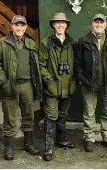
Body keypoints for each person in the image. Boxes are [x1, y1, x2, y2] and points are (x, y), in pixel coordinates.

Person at [0, 15, 42, 160]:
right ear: (11, 27)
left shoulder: (31, 44)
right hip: (10, 85)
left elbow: (34, 66)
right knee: (9, 117)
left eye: (22, 25)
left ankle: (28, 144)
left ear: (25, 28)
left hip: (27, 85)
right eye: (16, 25)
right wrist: (4, 82)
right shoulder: (2, 43)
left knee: (28, 115)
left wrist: (35, 85)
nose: (19, 28)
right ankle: (8, 148)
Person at [75, 13, 107, 152]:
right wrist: (83, 80)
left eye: (101, 23)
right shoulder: (83, 41)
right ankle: (89, 138)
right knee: (89, 114)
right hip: (89, 84)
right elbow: (78, 64)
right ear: (92, 24)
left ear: (105, 25)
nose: (99, 25)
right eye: (96, 22)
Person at [38, 12, 77, 161]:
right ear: (53, 25)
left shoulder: (72, 43)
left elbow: (77, 64)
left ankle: (61, 139)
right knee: (51, 116)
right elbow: (41, 65)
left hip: (68, 87)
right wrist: (48, 80)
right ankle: (48, 146)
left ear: (66, 25)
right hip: (52, 87)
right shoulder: (46, 43)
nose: (60, 25)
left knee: (63, 115)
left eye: (63, 22)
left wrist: (74, 81)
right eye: (57, 22)